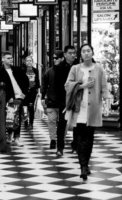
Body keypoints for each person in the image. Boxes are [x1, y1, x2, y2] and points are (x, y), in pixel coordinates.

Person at [65, 42, 111, 180]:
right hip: (79, 108)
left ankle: (86, 163)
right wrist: (82, 86)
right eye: (83, 51)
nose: (86, 53)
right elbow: (67, 85)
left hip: (93, 108)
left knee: (89, 137)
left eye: (88, 50)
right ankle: (83, 166)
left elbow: (104, 88)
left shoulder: (99, 69)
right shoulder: (75, 68)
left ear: (92, 53)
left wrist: (107, 104)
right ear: (81, 54)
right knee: (79, 136)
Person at [0, 51, 29, 145]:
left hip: (19, 96)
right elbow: (0, 86)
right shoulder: (0, 72)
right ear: (3, 59)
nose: (11, 59)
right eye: (8, 58)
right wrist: (8, 97)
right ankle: (10, 135)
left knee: (17, 117)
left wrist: (24, 93)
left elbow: (26, 81)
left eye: (11, 58)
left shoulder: (17, 70)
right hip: (9, 98)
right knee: (10, 117)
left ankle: (16, 138)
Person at [42, 50, 65, 151]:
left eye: (56, 58)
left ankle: (61, 140)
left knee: (63, 122)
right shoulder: (49, 71)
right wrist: (43, 97)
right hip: (51, 100)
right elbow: (44, 85)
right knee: (51, 121)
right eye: (53, 58)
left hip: (63, 101)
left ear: (62, 59)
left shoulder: (67, 71)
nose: (54, 60)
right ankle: (53, 140)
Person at [22, 55, 41, 128]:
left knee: (31, 106)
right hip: (24, 91)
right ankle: (25, 121)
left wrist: (39, 92)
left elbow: (37, 81)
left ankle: (31, 123)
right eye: (27, 61)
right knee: (24, 107)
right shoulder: (22, 70)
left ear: (32, 62)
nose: (29, 62)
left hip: (33, 91)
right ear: (25, 62)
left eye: (30, 61)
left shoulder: (35, 70)